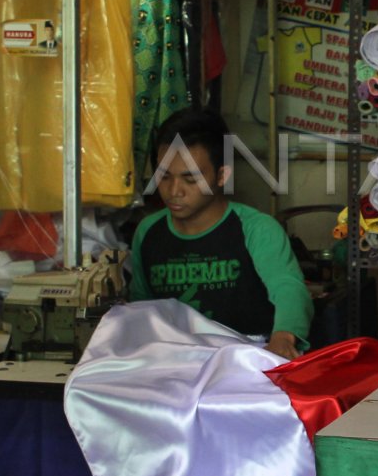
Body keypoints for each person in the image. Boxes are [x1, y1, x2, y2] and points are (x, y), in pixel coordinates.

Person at [128, 107, 313, 359]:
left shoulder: (256, 228)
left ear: (222, 175)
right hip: (173, 363)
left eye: (190, 179)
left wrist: (283, 337)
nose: (174, 191)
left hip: (246, 360)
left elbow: (288, 288)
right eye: (164, 177)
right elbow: (140, 307)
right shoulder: (148, 232)